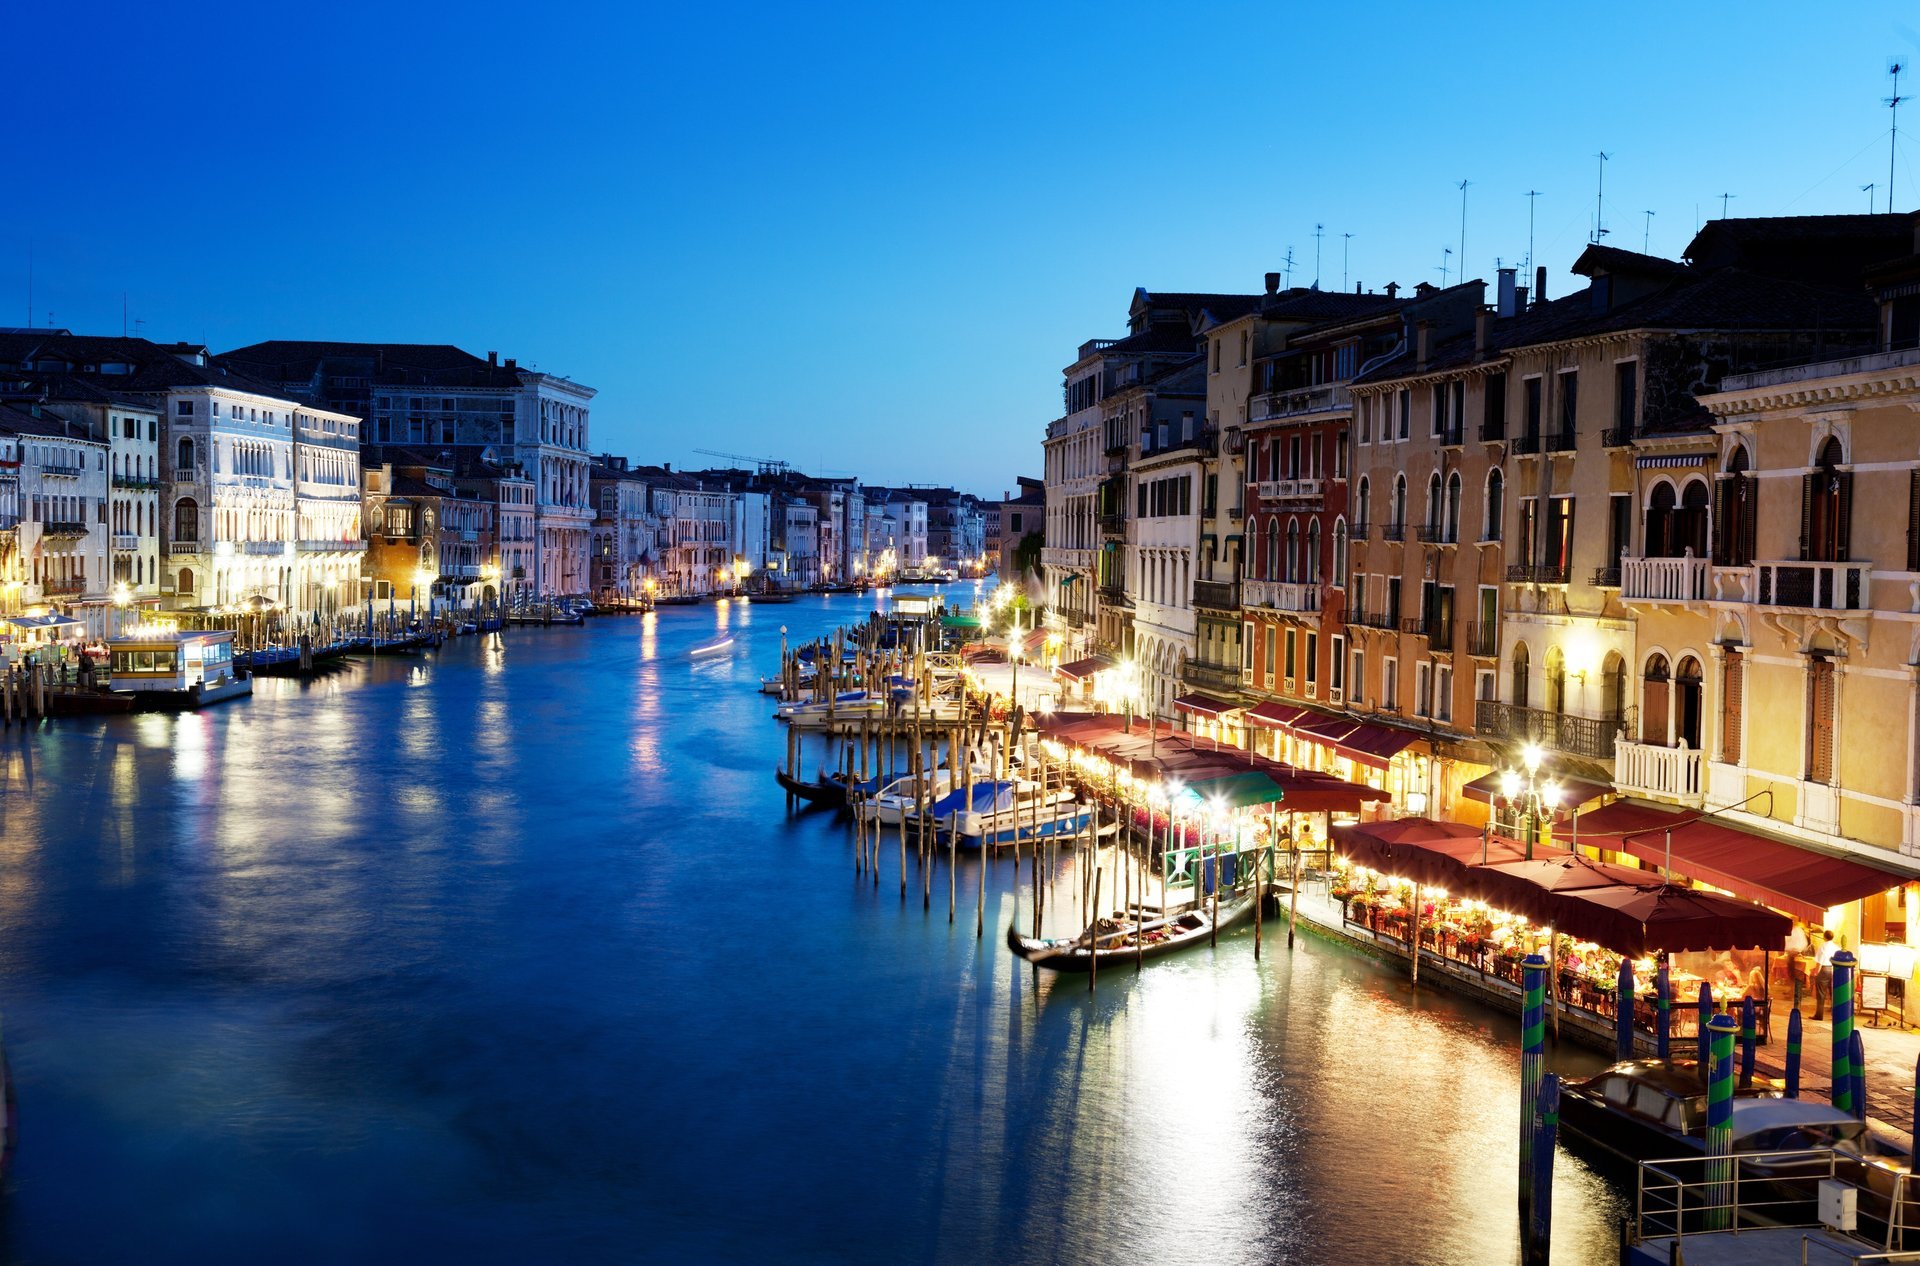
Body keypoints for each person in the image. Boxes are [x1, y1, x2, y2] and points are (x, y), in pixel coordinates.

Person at [1813, 929, 1838, 1020]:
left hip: (1824, 969)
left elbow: (1820, 960)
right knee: (1833, 993)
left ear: (1824, 937)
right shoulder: (1836, 947)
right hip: (1833, 970)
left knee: (1821, 993)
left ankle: (1819, 1015)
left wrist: (1816, 972)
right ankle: (1835, 1015)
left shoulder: (1823, 946)